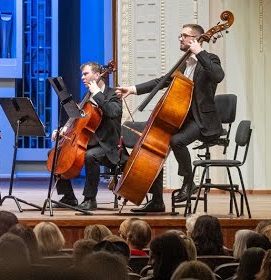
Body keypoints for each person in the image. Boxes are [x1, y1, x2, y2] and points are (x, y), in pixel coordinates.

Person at [115, 22, 225, 212]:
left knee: (177, 141)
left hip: (201, 120)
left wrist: (200, 52)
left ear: (195, 38)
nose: (180, 39)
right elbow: (162, 81)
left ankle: (189, 182)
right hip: (181, 118)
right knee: (156, 145)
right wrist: (132, 89)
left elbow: (218, 76)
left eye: (184, 35)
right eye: (180, 35)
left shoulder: (210, 59)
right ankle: (157, 201)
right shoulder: (183, 64)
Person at [51, 61, 122, 211]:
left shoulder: (113, 94)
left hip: (107, 146)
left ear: (97, 75)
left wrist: (97, 94)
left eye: (86, 74)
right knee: (56, 153)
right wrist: (64, 129)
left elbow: (113, 112)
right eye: (82, 74)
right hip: (87, 141)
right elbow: (79, 119)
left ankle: (90, 199)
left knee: (91, 156)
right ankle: (68, 197)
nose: (82, 77)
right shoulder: (86, 96)